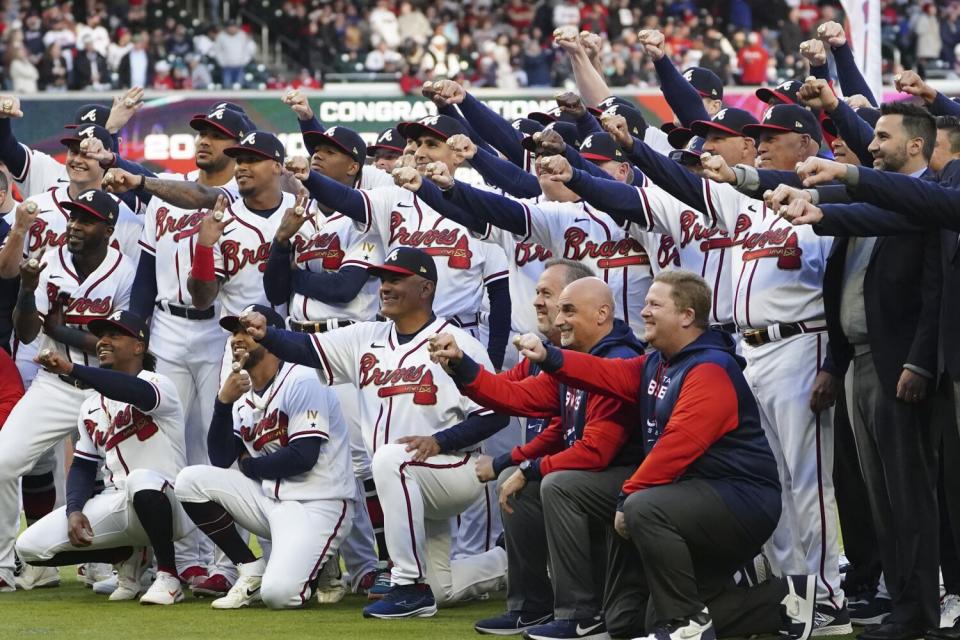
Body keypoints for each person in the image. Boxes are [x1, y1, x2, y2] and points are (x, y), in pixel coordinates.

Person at [508, 270, 818, 640]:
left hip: (739, 499)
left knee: (643, 506)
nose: (645, 311)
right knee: (630, 622)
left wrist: (627, 497)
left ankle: (685, 622)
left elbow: (676, 446)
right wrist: (548, 356)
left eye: (655, 304)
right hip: (687, 497)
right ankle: (783, 600)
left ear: (687, 316)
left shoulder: (711, 368)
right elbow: (605, 373)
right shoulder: (657, 362)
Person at [236, 247, 509, 618]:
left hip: (455, 469)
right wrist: (268, 335)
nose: (385, 286)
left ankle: (407, 585)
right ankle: (510, 562)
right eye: (382, 279)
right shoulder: (366, 337)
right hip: (408, 481)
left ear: (426, 287)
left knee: (390, 458)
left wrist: (440, 441)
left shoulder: (458, 342)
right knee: (442, 586)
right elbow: (306, 348)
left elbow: (496, 415)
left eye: (396, 278)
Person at [426, 275, 646, 639]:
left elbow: (598, 451)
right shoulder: (573, 360)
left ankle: (581, 614)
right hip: (597, 475)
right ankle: (531, 606)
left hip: (626, 478)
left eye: (567, 309)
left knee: (556, 483)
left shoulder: (618, 360)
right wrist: (461, 365)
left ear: (602, 313)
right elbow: (513, 396)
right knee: (528, 482)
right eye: (557, 309)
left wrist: (531, 467)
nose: (557, 320)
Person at [174, 305, 355, 609]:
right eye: (234, 331)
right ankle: (250, 568)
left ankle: (322, 558)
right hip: (272, 499)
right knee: (189, 481)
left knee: (279, 596)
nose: (237, 338)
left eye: (246, 330)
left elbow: (302, 456)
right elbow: (219, 458)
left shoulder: (303, 379)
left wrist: (249, 465)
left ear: (271, 336)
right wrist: (222, 403)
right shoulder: (242, 394)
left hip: (319, 502)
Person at [0, 189, 135, 591]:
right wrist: (27, 288)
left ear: (109, 230)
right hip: (56, 385)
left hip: (108, 387)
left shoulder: (125, 272)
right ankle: (7, 564)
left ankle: (114, 565)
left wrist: (59, 331)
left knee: (124, 480)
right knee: (4, 460)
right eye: (73, 217)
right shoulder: (49, 262)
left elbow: (117, 347)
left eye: (87, 219)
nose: (75, 225)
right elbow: (26, 333)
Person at [15, 311, 193, 605]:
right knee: (30, 547)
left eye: (114, 335)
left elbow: (129, 390)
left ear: (139, 346)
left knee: (140, 479)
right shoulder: (90, 405)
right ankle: (129, 558)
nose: (103, 342)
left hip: (170, 502)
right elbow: (84, 467)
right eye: (101, 336)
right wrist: (74, 510)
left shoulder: (160, 384)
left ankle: (168, 576)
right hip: (121, 503)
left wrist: (72, 368)